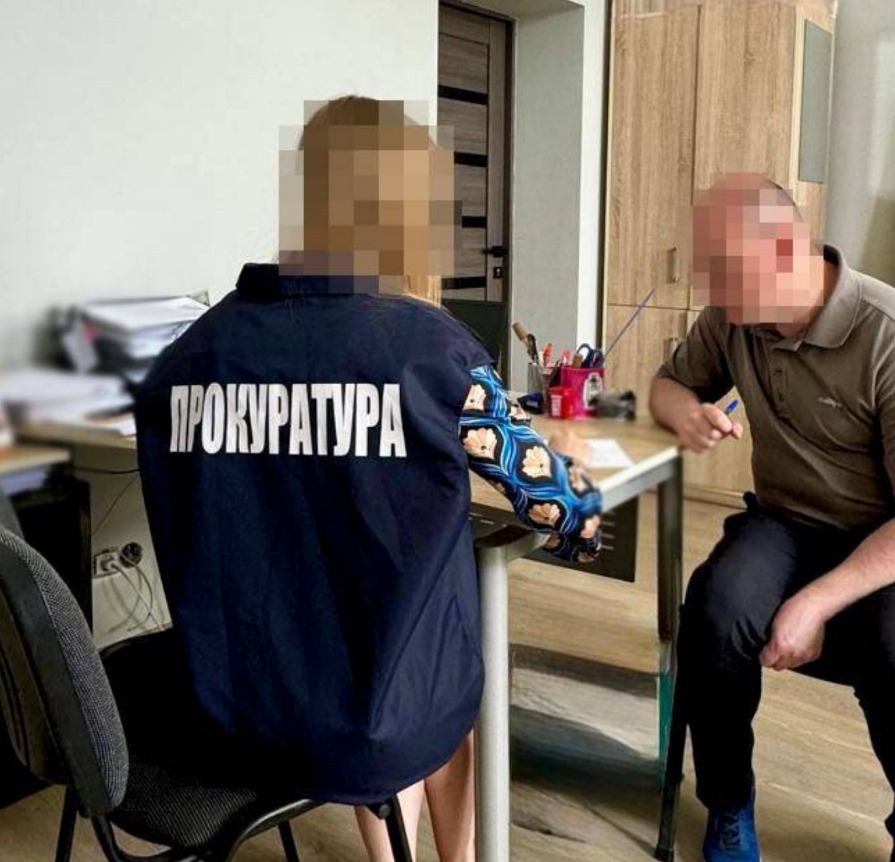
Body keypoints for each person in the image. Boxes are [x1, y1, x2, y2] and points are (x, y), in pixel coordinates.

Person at [134, 96, 602, 862]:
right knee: (431, 629)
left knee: (363, 618)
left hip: (231, 710)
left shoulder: (187, 357)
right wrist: (575, 483)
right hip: (376, 721)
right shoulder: (432, 351)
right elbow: (564, 508)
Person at [650, 173, 895, 862]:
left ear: (786, 252)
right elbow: (668, 384)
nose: (712, 289)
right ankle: (729, 803)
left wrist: (813, 603)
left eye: (725, 270)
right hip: (790, 521)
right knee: (715, 615)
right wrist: (686, 412)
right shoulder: (733, 315)